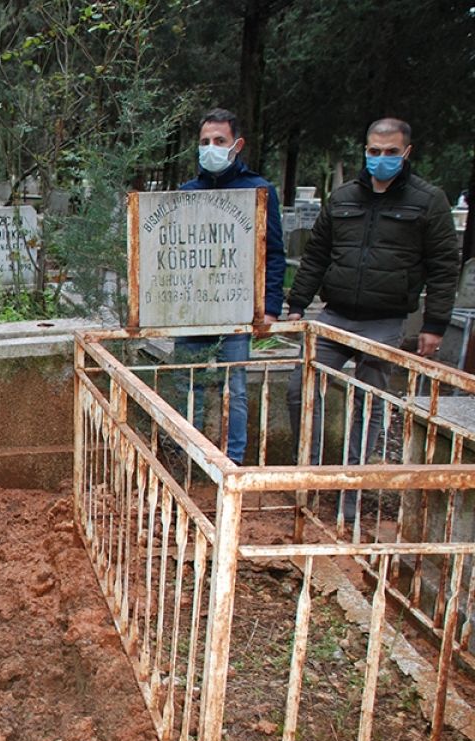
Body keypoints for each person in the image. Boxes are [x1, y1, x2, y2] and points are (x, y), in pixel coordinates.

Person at [285, 118, 459, 509]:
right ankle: (308, 476)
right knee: (300, 389)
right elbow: (316, 254)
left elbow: (445, 266)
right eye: (374, 151)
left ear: (406, 153)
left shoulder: (427, 201)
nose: (381, 159)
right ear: (365, 150)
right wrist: (298, 304)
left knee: (369, 403)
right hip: (335, 315)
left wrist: (434, 325)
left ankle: (351, 492)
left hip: (384, 320)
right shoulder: (344, 197)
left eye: (391, 152)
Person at [174, 108, 287, 464]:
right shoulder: (186, 193)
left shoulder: (258, 191)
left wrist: (269, 307)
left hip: (235, 311)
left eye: (219, 141)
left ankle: (233, 461)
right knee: (185, 384)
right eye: (205, 142)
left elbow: (274, 253)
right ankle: (184, 454)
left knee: (235, 389)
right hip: (192, 313)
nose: (211, 148)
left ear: (236, 145)